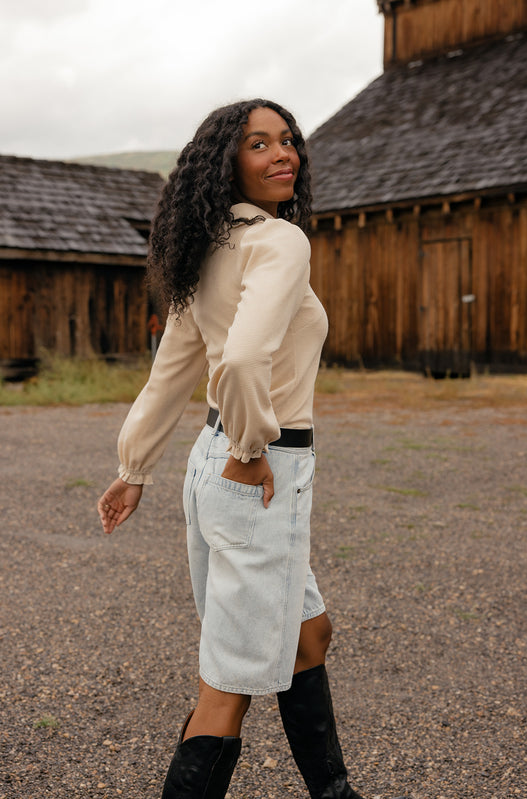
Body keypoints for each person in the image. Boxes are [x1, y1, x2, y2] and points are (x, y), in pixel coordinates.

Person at [97, 99, 364, 799]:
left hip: (214, 466)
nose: (283, 154)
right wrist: (250, 448)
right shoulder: (281, 242)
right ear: (228, 162)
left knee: (310, 636)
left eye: (288, 141)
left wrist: (134, 468)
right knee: (227, 684)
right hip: (254, 470)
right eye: (258, 143)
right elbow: (242, 358)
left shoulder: (210, 245)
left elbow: (172, 369)